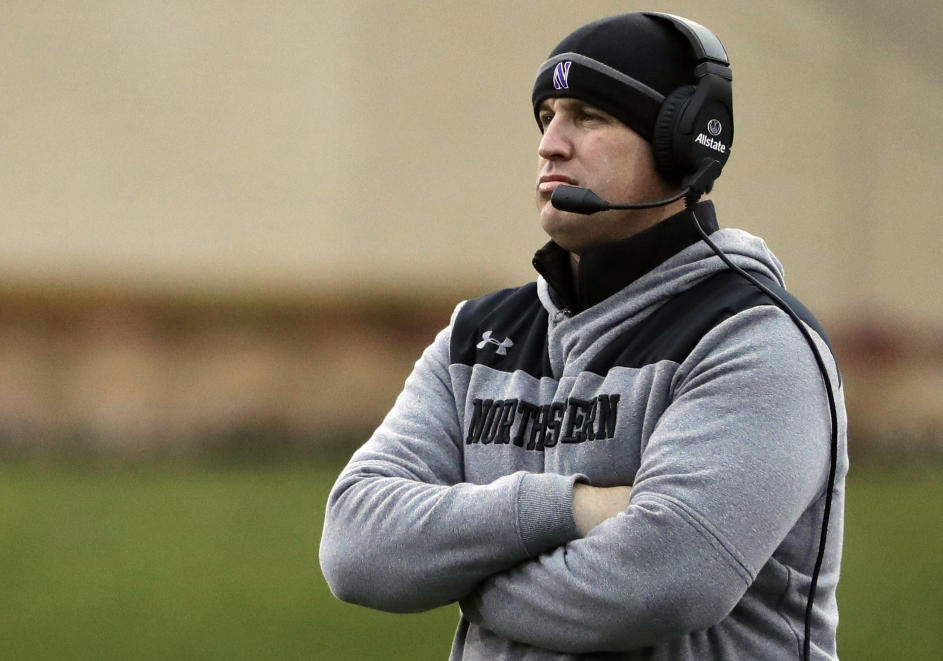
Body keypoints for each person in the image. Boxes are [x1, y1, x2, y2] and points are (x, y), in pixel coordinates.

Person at [320, 11, 848, 660]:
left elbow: (664, 581)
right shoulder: (475, 335)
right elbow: (355, 546)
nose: (550, 144)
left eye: (588, 116)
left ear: (684, 142)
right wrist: (575, 508)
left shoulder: (756, 340)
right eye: (547, 116)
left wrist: (467, 579)